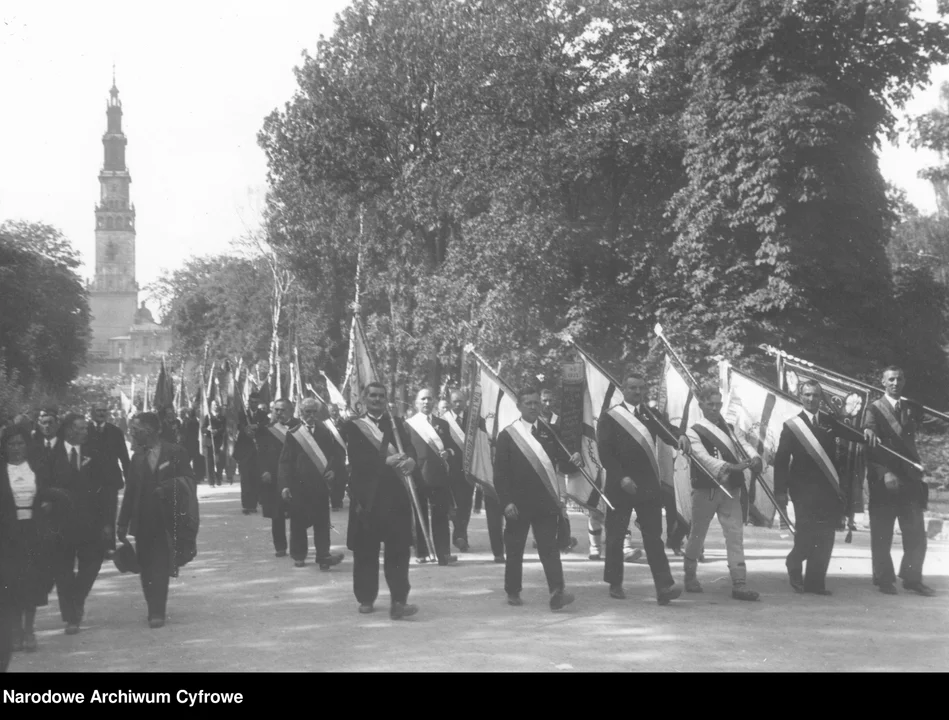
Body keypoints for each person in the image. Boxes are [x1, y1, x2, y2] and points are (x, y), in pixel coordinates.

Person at [597, 373, 686, 605]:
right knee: (616, 537)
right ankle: (615, 582)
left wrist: (681, 437)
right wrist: (621, 477)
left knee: (653, 538)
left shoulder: (651, 415)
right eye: (633, 388)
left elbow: (668, 432)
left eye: (641, 388)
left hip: (647, 485)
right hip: (620, 485)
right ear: (623, 389)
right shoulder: (609, 417)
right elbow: (605, 453)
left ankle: (664, 586)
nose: (638, 392)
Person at [495, 387, 583, 611]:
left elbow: (563, 462)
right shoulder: (508, 435)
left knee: (549, 548)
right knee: (515, 549)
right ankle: (513, 590)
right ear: (519, 407)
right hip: (518, 503)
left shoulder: (551, 431)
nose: (534, 407)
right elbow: (500, 474)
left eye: (536, 403)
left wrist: (574, 458)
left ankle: (557, 591)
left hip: (545, 501)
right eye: (529, 403)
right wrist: (506, 502)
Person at [342, 382, 419, 620]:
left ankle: (398, 600)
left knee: (398, 551)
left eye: (381, 396)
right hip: (367, 497)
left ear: (387, 399)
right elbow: (357, 459)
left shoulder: (396, 424)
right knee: (366, 550)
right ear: (364, 398)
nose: (377, 399)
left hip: (394, 496)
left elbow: (409, 450)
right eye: (373, 395)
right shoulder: (353, 426)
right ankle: (366, 597)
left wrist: (411, 462)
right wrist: (384, 462)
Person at [683, 388, 762, 601]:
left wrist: (754, 458)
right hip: (706, 489)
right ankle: (689, 575)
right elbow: (702, 457)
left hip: (731, 490)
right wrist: (731, 467)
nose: (715, 409)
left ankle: (739, 582)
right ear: (701, 405)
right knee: (697, 534)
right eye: (711, 404)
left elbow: (744, 446)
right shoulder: (693, 431)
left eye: (718, 404)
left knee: (735, 534)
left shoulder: (731, 428)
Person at [117, 412, 195, 628]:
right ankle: (151, 603)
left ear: (149, 430)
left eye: (136, 429)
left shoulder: (175, 452)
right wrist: (122, 523)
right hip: (142, 521)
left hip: (166, 520)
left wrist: (168, 488)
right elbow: (130, 492)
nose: (132, 433)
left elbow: (189, 481)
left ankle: (157, 611)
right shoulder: (137, 458)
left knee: (160, 564)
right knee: (145, 565)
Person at [863, 367, 936, 597]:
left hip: (910, 481)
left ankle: (912, 579)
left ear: (904, 381)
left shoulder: (911, 407)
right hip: (884, 480)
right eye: (891, 379)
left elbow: (934, 422)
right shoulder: (873, 409)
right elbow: (869, 445)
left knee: (916, 534)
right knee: (882, 534)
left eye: (899, 379)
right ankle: (884, 579)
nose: (895, 383)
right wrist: (884, 472)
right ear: (883, 382)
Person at [774, 380, 851, 595]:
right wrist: (779, 491)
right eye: (807, 395)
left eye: (815, 395)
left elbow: (849, 436)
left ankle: (815, 583)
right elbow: (781, 461)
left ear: (820, 398)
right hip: (802, 490)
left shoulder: (830, 422)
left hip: (828, 489)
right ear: (801, 397)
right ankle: (794, 563)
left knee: (826, 537)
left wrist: (868, 434)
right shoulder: (792, 426)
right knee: (806, 536)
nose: (811, 399)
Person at [49, 413, 109, 635]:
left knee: (92, 563)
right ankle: (72, 617)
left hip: (90, 524)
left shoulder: (94, 453)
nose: (86, 432)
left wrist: (107, 522)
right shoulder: (51, 455)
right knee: (63, 572)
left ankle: (78, 597)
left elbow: (105, 491)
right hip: (61, 525)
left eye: (86, 428)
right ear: (68, 431)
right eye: (81, 429)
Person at [0, 426, 58, 652]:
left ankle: (29, 630)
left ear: (27, 445)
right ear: (5, 447)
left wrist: (47, 504)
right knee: (10, 585)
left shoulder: (37, 468)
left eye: (20, 443)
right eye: (11, 444)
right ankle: (15, 631)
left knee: (32, 583)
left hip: (33, 534)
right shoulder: (2, 469)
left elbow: (49, 493)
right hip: (7, 537)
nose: (16, 449)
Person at [278, 398, 345, 570]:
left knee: (322, 523)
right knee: (298, 523)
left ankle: (323, 556)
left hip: (320, 485)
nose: (311, 415)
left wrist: (334, 470)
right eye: (308, 412)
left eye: (314, 412)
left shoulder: (326, 432)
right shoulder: (293, 433)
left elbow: (337, 454)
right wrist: (285, 485)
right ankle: (299, 555)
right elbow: (285, 461)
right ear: (301, 413)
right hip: (299, 485)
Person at [406, 388, 458, 566]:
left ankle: (443, 554)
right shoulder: (409, 425)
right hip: (418, 475)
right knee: (419, 514)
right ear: (416, 403)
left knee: (441, 516)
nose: (426, 402)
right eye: (423, 399)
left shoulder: (442, 424)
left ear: (434, 401)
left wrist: (448, 453)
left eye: (429, 398)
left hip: (439, 476)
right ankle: (422, 552)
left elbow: (452, 447)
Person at [87, 403, 131, 557]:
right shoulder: (84, 430)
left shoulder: (115, 432)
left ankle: (108, 547)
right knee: (92, 513)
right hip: (89, 482)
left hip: (110, 481)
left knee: (109, 514)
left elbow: (124, 457)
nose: (101, 413)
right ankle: (93, 546)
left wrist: (129, 477)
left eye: (104, 411)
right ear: (92, 412)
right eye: (98, 410)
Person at [539, 389, 577, 553]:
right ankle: (541, 537)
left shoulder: (558, 420)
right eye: (544, 400)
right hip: (539, 468)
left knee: (561, 502)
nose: (547, 404)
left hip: (556, 469)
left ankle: (564, 538)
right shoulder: (534, 420)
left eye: (550, 401)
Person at [258, 399, 297, 558]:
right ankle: (280, 546)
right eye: (276, 410)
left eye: (282, 410)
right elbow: (261, 453)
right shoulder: (268, 430)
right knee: (277, 514)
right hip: (274, 476)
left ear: (291, 411)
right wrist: (264, 470)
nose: (278, 413)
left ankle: (297, 548)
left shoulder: (299, 427)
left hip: (295, 475)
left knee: (297, 514)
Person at [234, 398, 265, 515]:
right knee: (245, 479)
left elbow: (265, 426)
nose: (253, 404)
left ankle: (253, 504)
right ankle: (246, 505)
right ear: (248, 403)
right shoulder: (242, 414)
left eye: (256, 402)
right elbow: (237, 427)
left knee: (255, 478)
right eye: (251, 402)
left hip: (257, 452)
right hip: (244, 452)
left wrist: (256, 426)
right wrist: (245, 429)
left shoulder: (263, 415)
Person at [324, 404, 349, 511]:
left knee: (341, 479)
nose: (334, 412)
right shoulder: (324, 424)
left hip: (341, 455)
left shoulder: (344, 424)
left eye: (336, 410)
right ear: (329, 411)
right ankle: (334, 502)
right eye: (332, 411)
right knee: (331, 479)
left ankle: (339, 499)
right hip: (329, 455)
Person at [202, 401, 228, 487]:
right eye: (214, 405)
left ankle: (218, 478)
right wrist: (207, 429)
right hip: (210, 441)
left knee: (219, 461)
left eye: (217, 404)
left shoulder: (222, 417)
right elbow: (203, 429)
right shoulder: (208, 417)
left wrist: (217, 431)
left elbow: (223, 428)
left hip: (219, 441)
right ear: (211, 406)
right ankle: (211, 482)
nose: (216, 406)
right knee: (210, 462)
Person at [179, 408, 202, 480]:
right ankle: (197, 476)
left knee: (189, 461)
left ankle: (189, 475)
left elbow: (182, 432)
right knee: (196, 461)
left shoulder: (186, 421)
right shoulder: (196, 422)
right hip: (194, 443)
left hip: (189, 444)